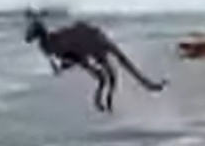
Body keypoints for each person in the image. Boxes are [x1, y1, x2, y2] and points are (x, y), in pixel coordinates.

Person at [24, 8, 167, 113]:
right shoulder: (49, 46)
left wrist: (64, 66)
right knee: (109, 73)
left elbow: (73, 57)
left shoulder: (51, 45)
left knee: (112, 70)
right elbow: (72, 58)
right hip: (82, 46)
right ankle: (112, 98)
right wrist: (64, 65)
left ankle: (144, 87)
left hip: (87, 43)